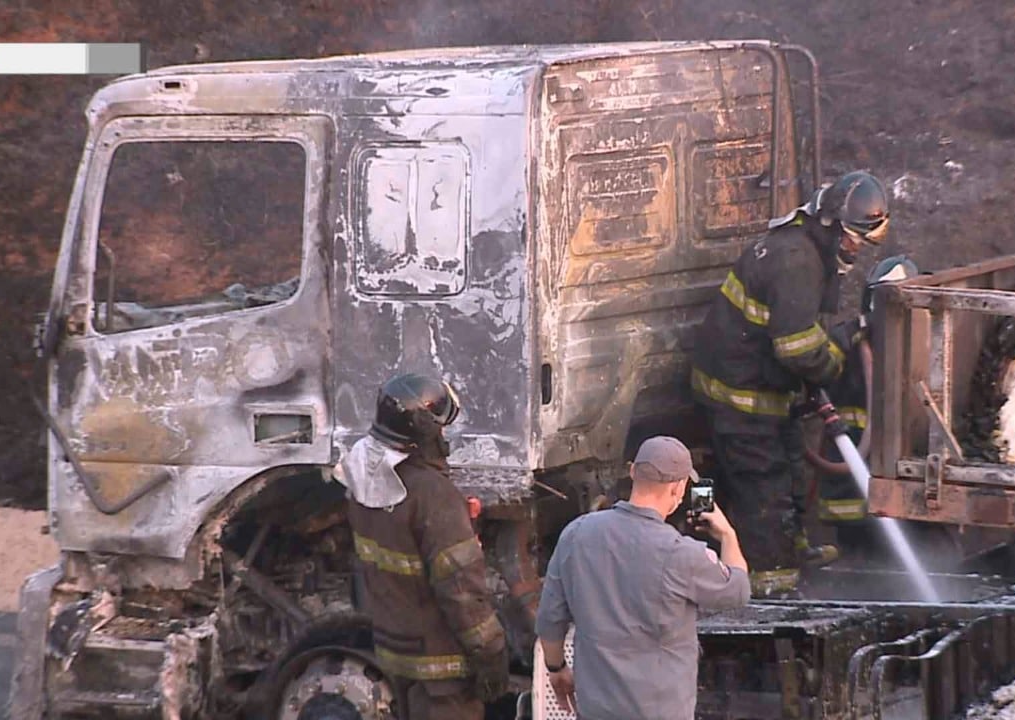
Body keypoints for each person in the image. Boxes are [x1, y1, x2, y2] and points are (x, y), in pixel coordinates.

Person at [689, 170, 892, 597]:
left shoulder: (805, 247)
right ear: (835, 225)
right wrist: (835, 354)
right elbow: (798, 349)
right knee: (764, 489)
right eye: (856, 239)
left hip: (761, 390)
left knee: (789, 477)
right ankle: (770, 586)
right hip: (741, 400)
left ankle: (792, 552)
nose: (857, 250)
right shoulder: (797, 261)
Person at [534, 435, 751, 720]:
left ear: (633, 472)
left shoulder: (576, 533)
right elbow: (737, 591)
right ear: (679, 487)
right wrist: (728, 536)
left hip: (596, 710)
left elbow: (550, 618)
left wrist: (557, 669)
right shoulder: (681, 552)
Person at [342, 372, 508, 720]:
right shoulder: (432, 494)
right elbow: (461, 591)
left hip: (397, 654)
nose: (445, 435)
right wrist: (492, 654)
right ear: (425, 431)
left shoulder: (363, 477)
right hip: (443, 672)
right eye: (441, 428)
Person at [811, 256, 918, 563]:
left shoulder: (923, 340)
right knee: (860, 545)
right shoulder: (849, 341)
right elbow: (813, 372)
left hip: (893, 470)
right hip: (852, 460)